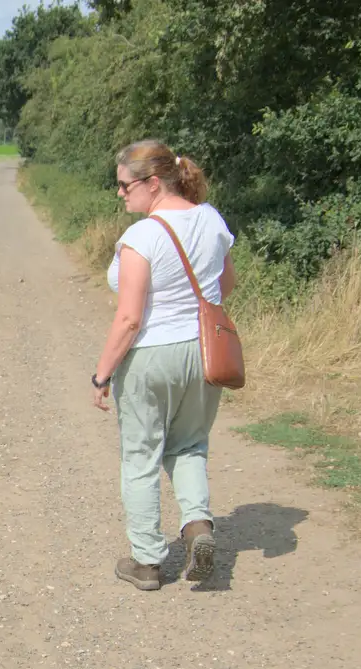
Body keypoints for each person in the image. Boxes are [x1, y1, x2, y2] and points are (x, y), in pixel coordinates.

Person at [91, 139, 236, 591]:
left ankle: (147, 562)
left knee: (141, 456)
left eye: (124, 185)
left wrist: (102, 373)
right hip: (202, 351)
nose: (120, 193)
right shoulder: (211, 219)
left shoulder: (142, 236)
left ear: (153, 184)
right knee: (190, 445)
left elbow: (130, 318)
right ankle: (197, 528)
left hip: (152, 355)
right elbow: (225, 284)